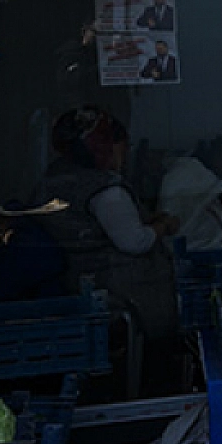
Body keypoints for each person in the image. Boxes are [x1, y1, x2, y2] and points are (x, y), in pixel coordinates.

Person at [32, 106, 179, 347]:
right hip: (117, 292)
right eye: (122, 145)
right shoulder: (106, 191)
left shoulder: (57, 175)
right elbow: (134, 242)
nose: (126, 153)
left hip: (76, 281)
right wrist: (164, 225)